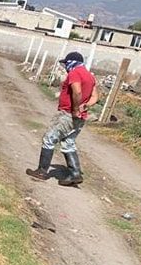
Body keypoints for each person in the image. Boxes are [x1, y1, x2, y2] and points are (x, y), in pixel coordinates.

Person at [26, 51, 99, 186]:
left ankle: (42, 171)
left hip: (68, 114)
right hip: (81, 117)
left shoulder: (75, 73)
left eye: (66, 63)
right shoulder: (90, 76)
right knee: (68, 142)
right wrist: (85, 106)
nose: (65, 66)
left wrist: (75, 109)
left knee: (49, 139)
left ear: (72, 63)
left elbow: (76, 91)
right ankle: (75, 174)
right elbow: (95, 97)